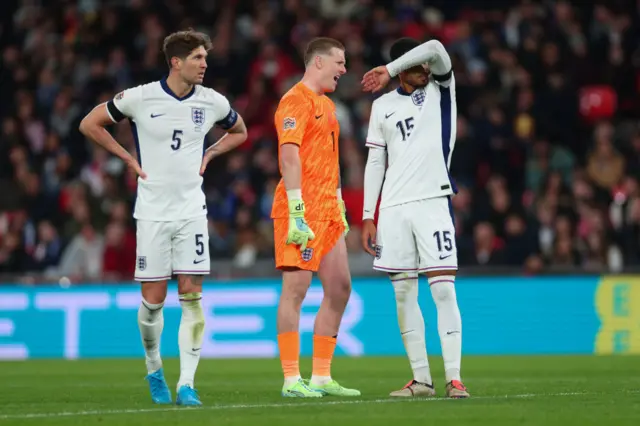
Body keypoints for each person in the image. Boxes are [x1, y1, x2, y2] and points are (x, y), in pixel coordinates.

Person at [78, 29, 247, 406]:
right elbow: (90, 123)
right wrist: (125, 157)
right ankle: (154, 367)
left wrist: (210, 154)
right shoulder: (139, 97)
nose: (204, 64)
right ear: (176, 62)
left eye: (205, 57)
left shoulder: (213, 102)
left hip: (191, 211)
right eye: (197, 58)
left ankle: (187, 384)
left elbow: (240, 131)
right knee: (153, 300)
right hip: (152, 213)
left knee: (191, 295)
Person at [360, 37, 470, 398]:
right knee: (404, 294)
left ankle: (454, 377)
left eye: (424, 64)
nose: (425, 69)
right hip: (392, 208)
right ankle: (421, 379)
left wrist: (389, 70)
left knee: (442, 291)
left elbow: (437, 47)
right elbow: (376, 162)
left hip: (432, 202)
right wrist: (367, 215)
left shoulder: (441, 89)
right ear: (403, 69)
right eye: (416, 65)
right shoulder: (382, 107)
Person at [270, 37, 359, 398]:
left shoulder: (329, 106)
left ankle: (321, 376)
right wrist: (296, 212)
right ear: (318, 62)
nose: (344, 69)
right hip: (301, 209)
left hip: (328, 209)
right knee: (296, 290)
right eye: (339, 62)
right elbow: (289, 157)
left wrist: (338, 202)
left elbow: (332, 159)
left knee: (339, 287)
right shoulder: (294, 100)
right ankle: (292, 380)